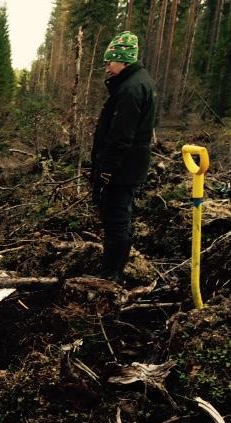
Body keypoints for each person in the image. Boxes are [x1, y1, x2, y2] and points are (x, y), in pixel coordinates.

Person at [91, 31, 157, 283]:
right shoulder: (139, 82)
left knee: (116, 219)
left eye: (110, 61)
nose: (107, 66)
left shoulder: (131, 89)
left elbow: (121, 138)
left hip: (122, 169)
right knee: (119, 217)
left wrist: (105, 172)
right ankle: (113, 269)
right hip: (129, 167)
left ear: (123, 60)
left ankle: (110, 275)